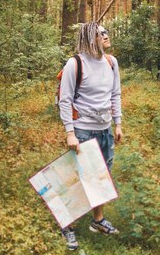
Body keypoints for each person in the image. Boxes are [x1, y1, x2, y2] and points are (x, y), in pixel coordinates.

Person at [58, 22, 123, 251]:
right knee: (81, 179)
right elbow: (65, 100)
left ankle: (98, 221)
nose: (106, 36)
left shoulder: (111, 62)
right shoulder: (75, 64)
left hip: (105, 129)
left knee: (101, 177)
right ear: (89, 38)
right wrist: (70, 132)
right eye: (100, 33)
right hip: (83, 130)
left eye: (106, 32)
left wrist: (118, 123)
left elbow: (115, 94)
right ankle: (68, 225)